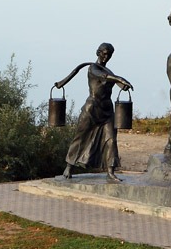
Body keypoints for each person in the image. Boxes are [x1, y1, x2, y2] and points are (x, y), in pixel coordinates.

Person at [56, 43, 133, 182]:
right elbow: (103, 76)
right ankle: (69, 166)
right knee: (81, 137)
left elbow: (116, 82)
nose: (106, 56)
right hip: (91, 109)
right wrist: (119, 79)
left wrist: (123, 85)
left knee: (111, 140)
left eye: (109, 54)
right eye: (103, 53)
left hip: (107, 110)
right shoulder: (93, 68)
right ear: (98, 52)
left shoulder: (108, 70)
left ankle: (110, 171)